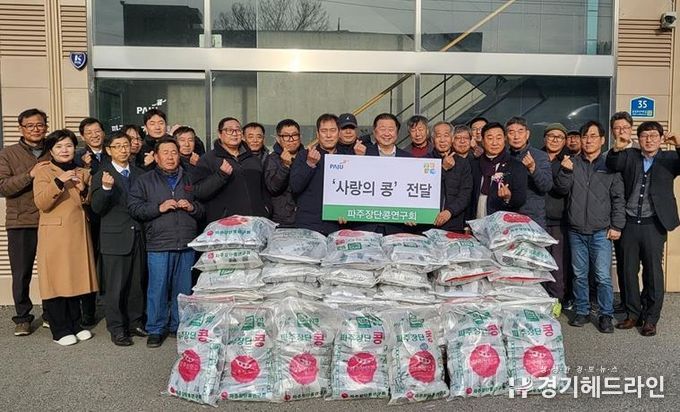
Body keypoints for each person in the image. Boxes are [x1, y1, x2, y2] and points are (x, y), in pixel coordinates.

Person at [128, 137, 204, 348]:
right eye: (165, 152)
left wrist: (192, 208)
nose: (170, 157)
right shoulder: (144, 180)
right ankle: (155, 328)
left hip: (186, 242)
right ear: (156, 156)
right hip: (159, 243)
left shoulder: (190, 178)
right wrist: (158, 208)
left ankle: (179, 326)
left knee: (183, 289)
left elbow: (203, 207)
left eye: (174, 152)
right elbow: (134, 208)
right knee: (158, 289)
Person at [607, 121, 680, 337]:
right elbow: (612, 164)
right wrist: (617, 147)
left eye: (654, 135)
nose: (649, 139)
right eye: (645, 136)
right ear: (639, 139)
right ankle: (632, 314)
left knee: (653, 272)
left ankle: (650, 318)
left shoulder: (670, 158)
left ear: (661, 138)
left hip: (654, 224)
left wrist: (679, 145)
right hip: (629, 223)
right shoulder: (630, 155)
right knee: (628, 271)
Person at [555, 120, 624, 334]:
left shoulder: (610, 166)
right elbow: (561, 189)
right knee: (579, 274)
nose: (588, 140)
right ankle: (582, 310)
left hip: (601, 231)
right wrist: (565, 171)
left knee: (603, 276)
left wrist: (617, 225)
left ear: (602, 140)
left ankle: (605, 315)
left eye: (593, 136)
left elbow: (618, 198)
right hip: (576, 229)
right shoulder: (572, 162)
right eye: (585, 136)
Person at [33, 129, 98, 346]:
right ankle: (59, 329)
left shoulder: (83, 172)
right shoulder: (44, 172)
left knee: (74, 279)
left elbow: (92, 202)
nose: (64, 150)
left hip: (78, 232)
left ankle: (75, 324)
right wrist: (58, 182)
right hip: (55, 234)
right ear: (51, 151)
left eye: (69, 146)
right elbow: (41, 203)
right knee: (56, 281)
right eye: (59, 146)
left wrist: (84, 190)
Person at [90, 132, 147, 346]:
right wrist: (106, 189)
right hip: (115, 238)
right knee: (115, 287)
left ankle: (135, 322)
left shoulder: (140, 173)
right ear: (108, 150)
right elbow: (97, 208)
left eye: (126, 145)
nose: (123, 149)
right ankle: (116, 328)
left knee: (136, 284)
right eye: (118, 146)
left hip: (138, 234)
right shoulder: (102, 174)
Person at [0, 108, 51, 336]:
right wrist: (30, 174)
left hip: (50, 220)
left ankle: (51, 313)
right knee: (21, 273)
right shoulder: (8, 154)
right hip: (21, 221)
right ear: (21, 128)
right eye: (30, 125)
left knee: (52, 270)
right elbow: (3, 187)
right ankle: (22, 317)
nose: (35, 129)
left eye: (39, 124)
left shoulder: (54, 149)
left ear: (46, 127)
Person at [193, 117, 270, 224]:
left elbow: (263, 190)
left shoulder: (253, 159)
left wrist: (266, 209)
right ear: (220, 134)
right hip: (225, 225)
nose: (235, 133)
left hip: (255, 222)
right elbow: (199, 191)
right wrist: (221, 175)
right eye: (229, 130)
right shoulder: (208, 159)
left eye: (238, 130)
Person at [290, 113, 343, 235]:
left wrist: (347, 212)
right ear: (318, 134)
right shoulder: (304, 155)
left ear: (339, 133)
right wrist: (309, 164)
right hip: (309, 224)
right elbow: (295, 186)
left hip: (337, 225)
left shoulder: (347, 157)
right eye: (324, 131)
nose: (328, 135)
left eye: (333, 130)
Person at [541, 123, 572, 303]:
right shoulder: (536, 157)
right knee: (538, 263)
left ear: (565, 141)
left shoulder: (569, 160)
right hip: (537, 219)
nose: (554, 140)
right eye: (551, 136)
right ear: (544, 138)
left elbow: (563, 189)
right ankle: (539, 300)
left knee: (557, 265)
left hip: (559, 221)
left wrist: (566, 170)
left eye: (559, 137)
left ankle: (556, 301)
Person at [470, 122, 528, 218]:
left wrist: (508, 198)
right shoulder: (474, 164)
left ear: (505, 139)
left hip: (502, 223)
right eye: (490, 138)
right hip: (475, 221)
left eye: (499, 138)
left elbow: (520, 199)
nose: (494, 143)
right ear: (483, 141)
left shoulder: (516, 166)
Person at [608, 111, 635, 313]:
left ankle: (638, 303)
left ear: (631, 129)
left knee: (640, 265)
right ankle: (626, 302)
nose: (621, 131)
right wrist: (617, 149)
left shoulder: (641, 151)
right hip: (618, 214)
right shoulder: (610, 154)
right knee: (624, 263)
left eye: (625, 127)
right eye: (617, 128)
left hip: (639, 216)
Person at [506, 116, 553, 228]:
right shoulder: (504, 156)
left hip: (533, 219)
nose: (516, 136)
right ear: (506, 136)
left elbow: (546, 186)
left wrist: (533, 168)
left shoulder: (540, 156)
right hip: (508, 217)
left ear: (527, 134)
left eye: (520, 132)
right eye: (511, 132)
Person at [429, 121, 473, 232]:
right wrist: (443, 169)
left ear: (452, 139)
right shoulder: (425, 160)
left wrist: (450, 211)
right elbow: (423, 187)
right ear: (432, 140)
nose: (442, 140)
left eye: (446, 135)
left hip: (453, 221)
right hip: (427, 222)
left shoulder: (463, 163)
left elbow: (465, 194)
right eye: (438, 136)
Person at [264, 119, 302, 227]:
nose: (291, 140)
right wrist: (285, 166)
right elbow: (273, 187)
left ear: (300, 137)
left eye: (294, 135)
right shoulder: (272, 159)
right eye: (286, 136)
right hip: (282, 221)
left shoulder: (307, 157)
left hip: (305, 218)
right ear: (278, 139)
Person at [139, 109, 205, 171]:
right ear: (145, 127)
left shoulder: (176, 141)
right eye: (152, 124)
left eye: (161, 123)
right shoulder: (140, 147)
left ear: (166, 125)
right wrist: (146, 165)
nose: (157, 127)